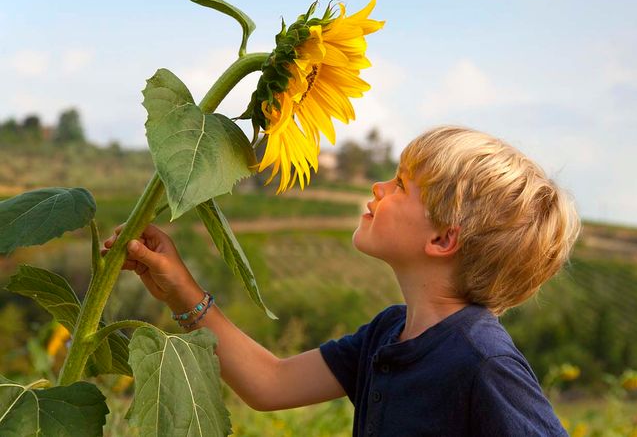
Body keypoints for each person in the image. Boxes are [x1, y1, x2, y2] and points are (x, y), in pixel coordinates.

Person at [103, 126, 580, 436]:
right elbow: (271, 383)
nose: (379, 188)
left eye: (400, 185)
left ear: (442, 238)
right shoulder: (388, 333)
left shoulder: (482, 362)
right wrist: (178, 288)